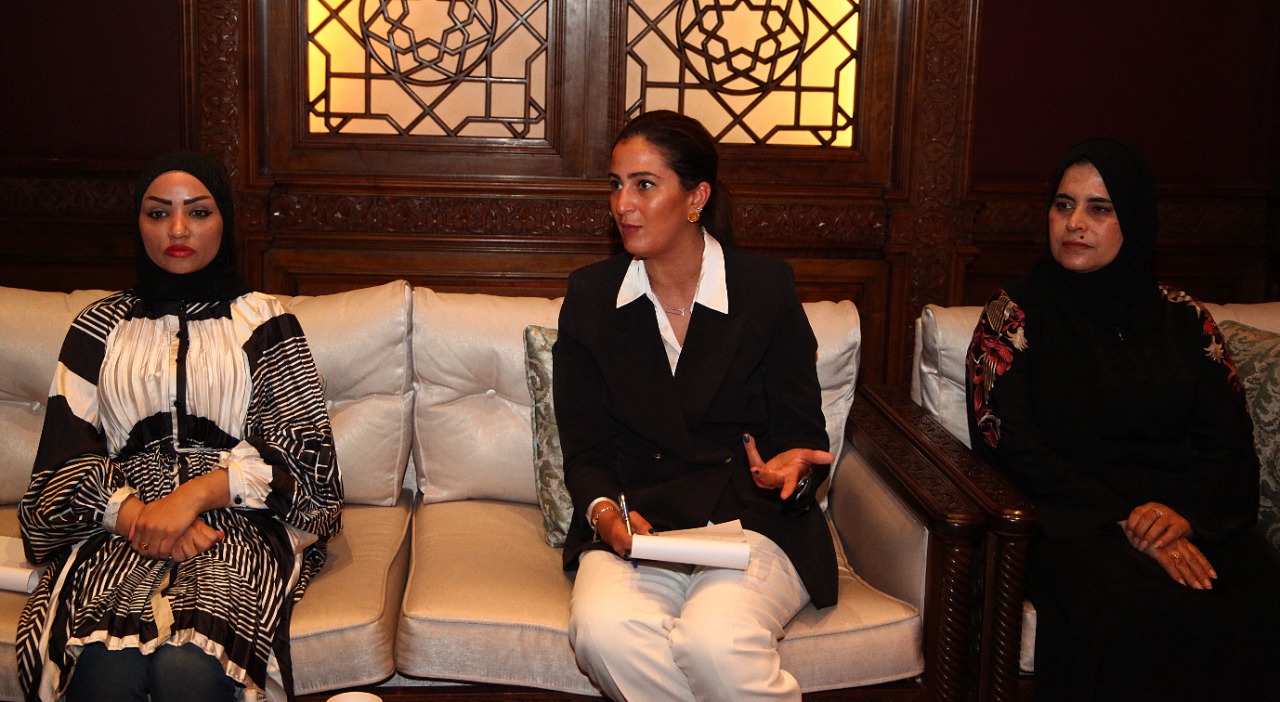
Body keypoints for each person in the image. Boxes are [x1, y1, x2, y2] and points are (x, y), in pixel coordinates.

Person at [18, 151, 343, 702]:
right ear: (138, 224)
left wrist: (191, 497)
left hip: (237, 523)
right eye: (157, 213)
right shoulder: (99, 325)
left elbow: (309, 462)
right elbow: (60, 463)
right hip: (118, 524)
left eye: (197, 211)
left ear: (224, 222)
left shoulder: (267, 321)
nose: (176, 229)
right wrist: (140, 516)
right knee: (105, 669)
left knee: (188, 669)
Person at [965, 138, 1280, 700]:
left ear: (1134, 219)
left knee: (1260, 597)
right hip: (1075, 525)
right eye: (1064, 205)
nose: (1075, 224)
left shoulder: (1186, 322)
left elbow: (1231, 449)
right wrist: (1128, 520)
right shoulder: (1012, 318)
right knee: (1137, 609)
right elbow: (1012, 447)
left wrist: (1180, 517)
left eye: (1099, 209)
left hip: (1184, 516)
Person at [552, 110, 837, 702]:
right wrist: (605, 515)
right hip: (641, 524)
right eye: (615, 185)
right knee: (603, 633)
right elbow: (585, 451)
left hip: (751, 520)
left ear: (696, 197)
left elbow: (803, 438)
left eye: (644, 185)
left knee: (715, 642)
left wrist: (791, 471)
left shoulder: (765, 289)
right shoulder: (590, 297)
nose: (622, 205)